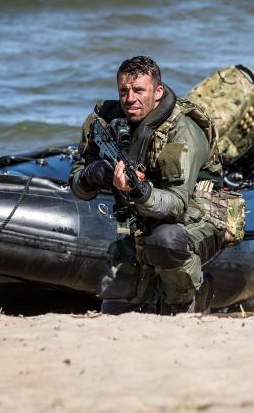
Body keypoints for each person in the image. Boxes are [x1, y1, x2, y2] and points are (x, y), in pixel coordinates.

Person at [69, 56, 223, 315]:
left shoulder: (181, 132)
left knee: (165, 241)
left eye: (139, 90)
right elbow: (76, 185)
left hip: (195, 218)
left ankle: (194, 292)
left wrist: (138, 191)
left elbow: (176, 206)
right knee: (115, 314)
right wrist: (92, 174)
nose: (130, 98)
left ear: (158, 92)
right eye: (124, 91)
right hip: (139, 223)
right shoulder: (104, 122)